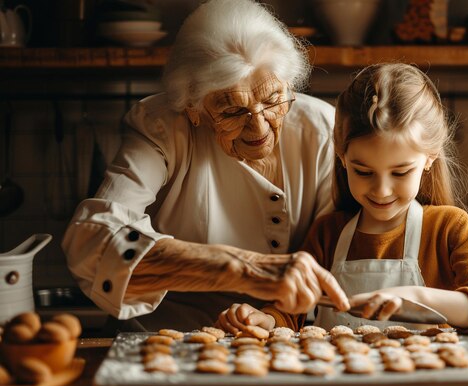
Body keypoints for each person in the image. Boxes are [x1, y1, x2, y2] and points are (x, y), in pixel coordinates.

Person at [61, 0, 349, 332]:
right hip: (168, 340)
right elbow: (93, 241)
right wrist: (244, 269)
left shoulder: (324, 130)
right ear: (192, 107)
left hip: (284, 339)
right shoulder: (162, 127)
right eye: (231, 111)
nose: (259, 128)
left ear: (288, 85)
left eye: (272, 101)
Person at [218, 63, 468, 338]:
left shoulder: (449, 228)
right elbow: (290, 309)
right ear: (342, 157)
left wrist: (416, 298)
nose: (382, 190)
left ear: (430, 157)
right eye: (363, 171)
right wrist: (266, 319)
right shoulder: (328, 233)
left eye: (400, 172)